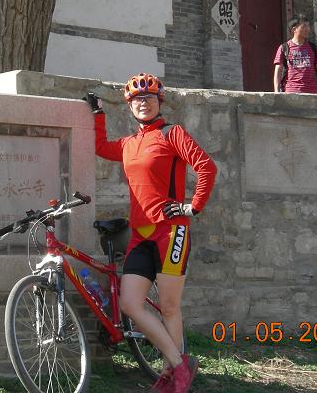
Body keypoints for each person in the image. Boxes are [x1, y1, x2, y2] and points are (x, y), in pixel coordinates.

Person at [84, 73, 217, 393]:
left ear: (160, 101)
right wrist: (98, 114)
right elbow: (100, 146)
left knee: (170, 307)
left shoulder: (173, 134)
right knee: (130, 304)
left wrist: (191, 207)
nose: (143, 103)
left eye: (149, 98)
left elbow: (206, 168)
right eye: (136, 100)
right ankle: (179, 363)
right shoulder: (129, 144)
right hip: (141, 236)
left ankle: (173, 373)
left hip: (172, 233)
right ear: (129, 106)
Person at [273, 14, 317, 94]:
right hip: (291, 92)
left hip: (312, 92)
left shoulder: (313, 48)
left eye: (308, 26)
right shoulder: (284, 48)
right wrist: (276, 91)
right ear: (294, 29)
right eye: (304, 26)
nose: (308, 29)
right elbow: (278, 70)